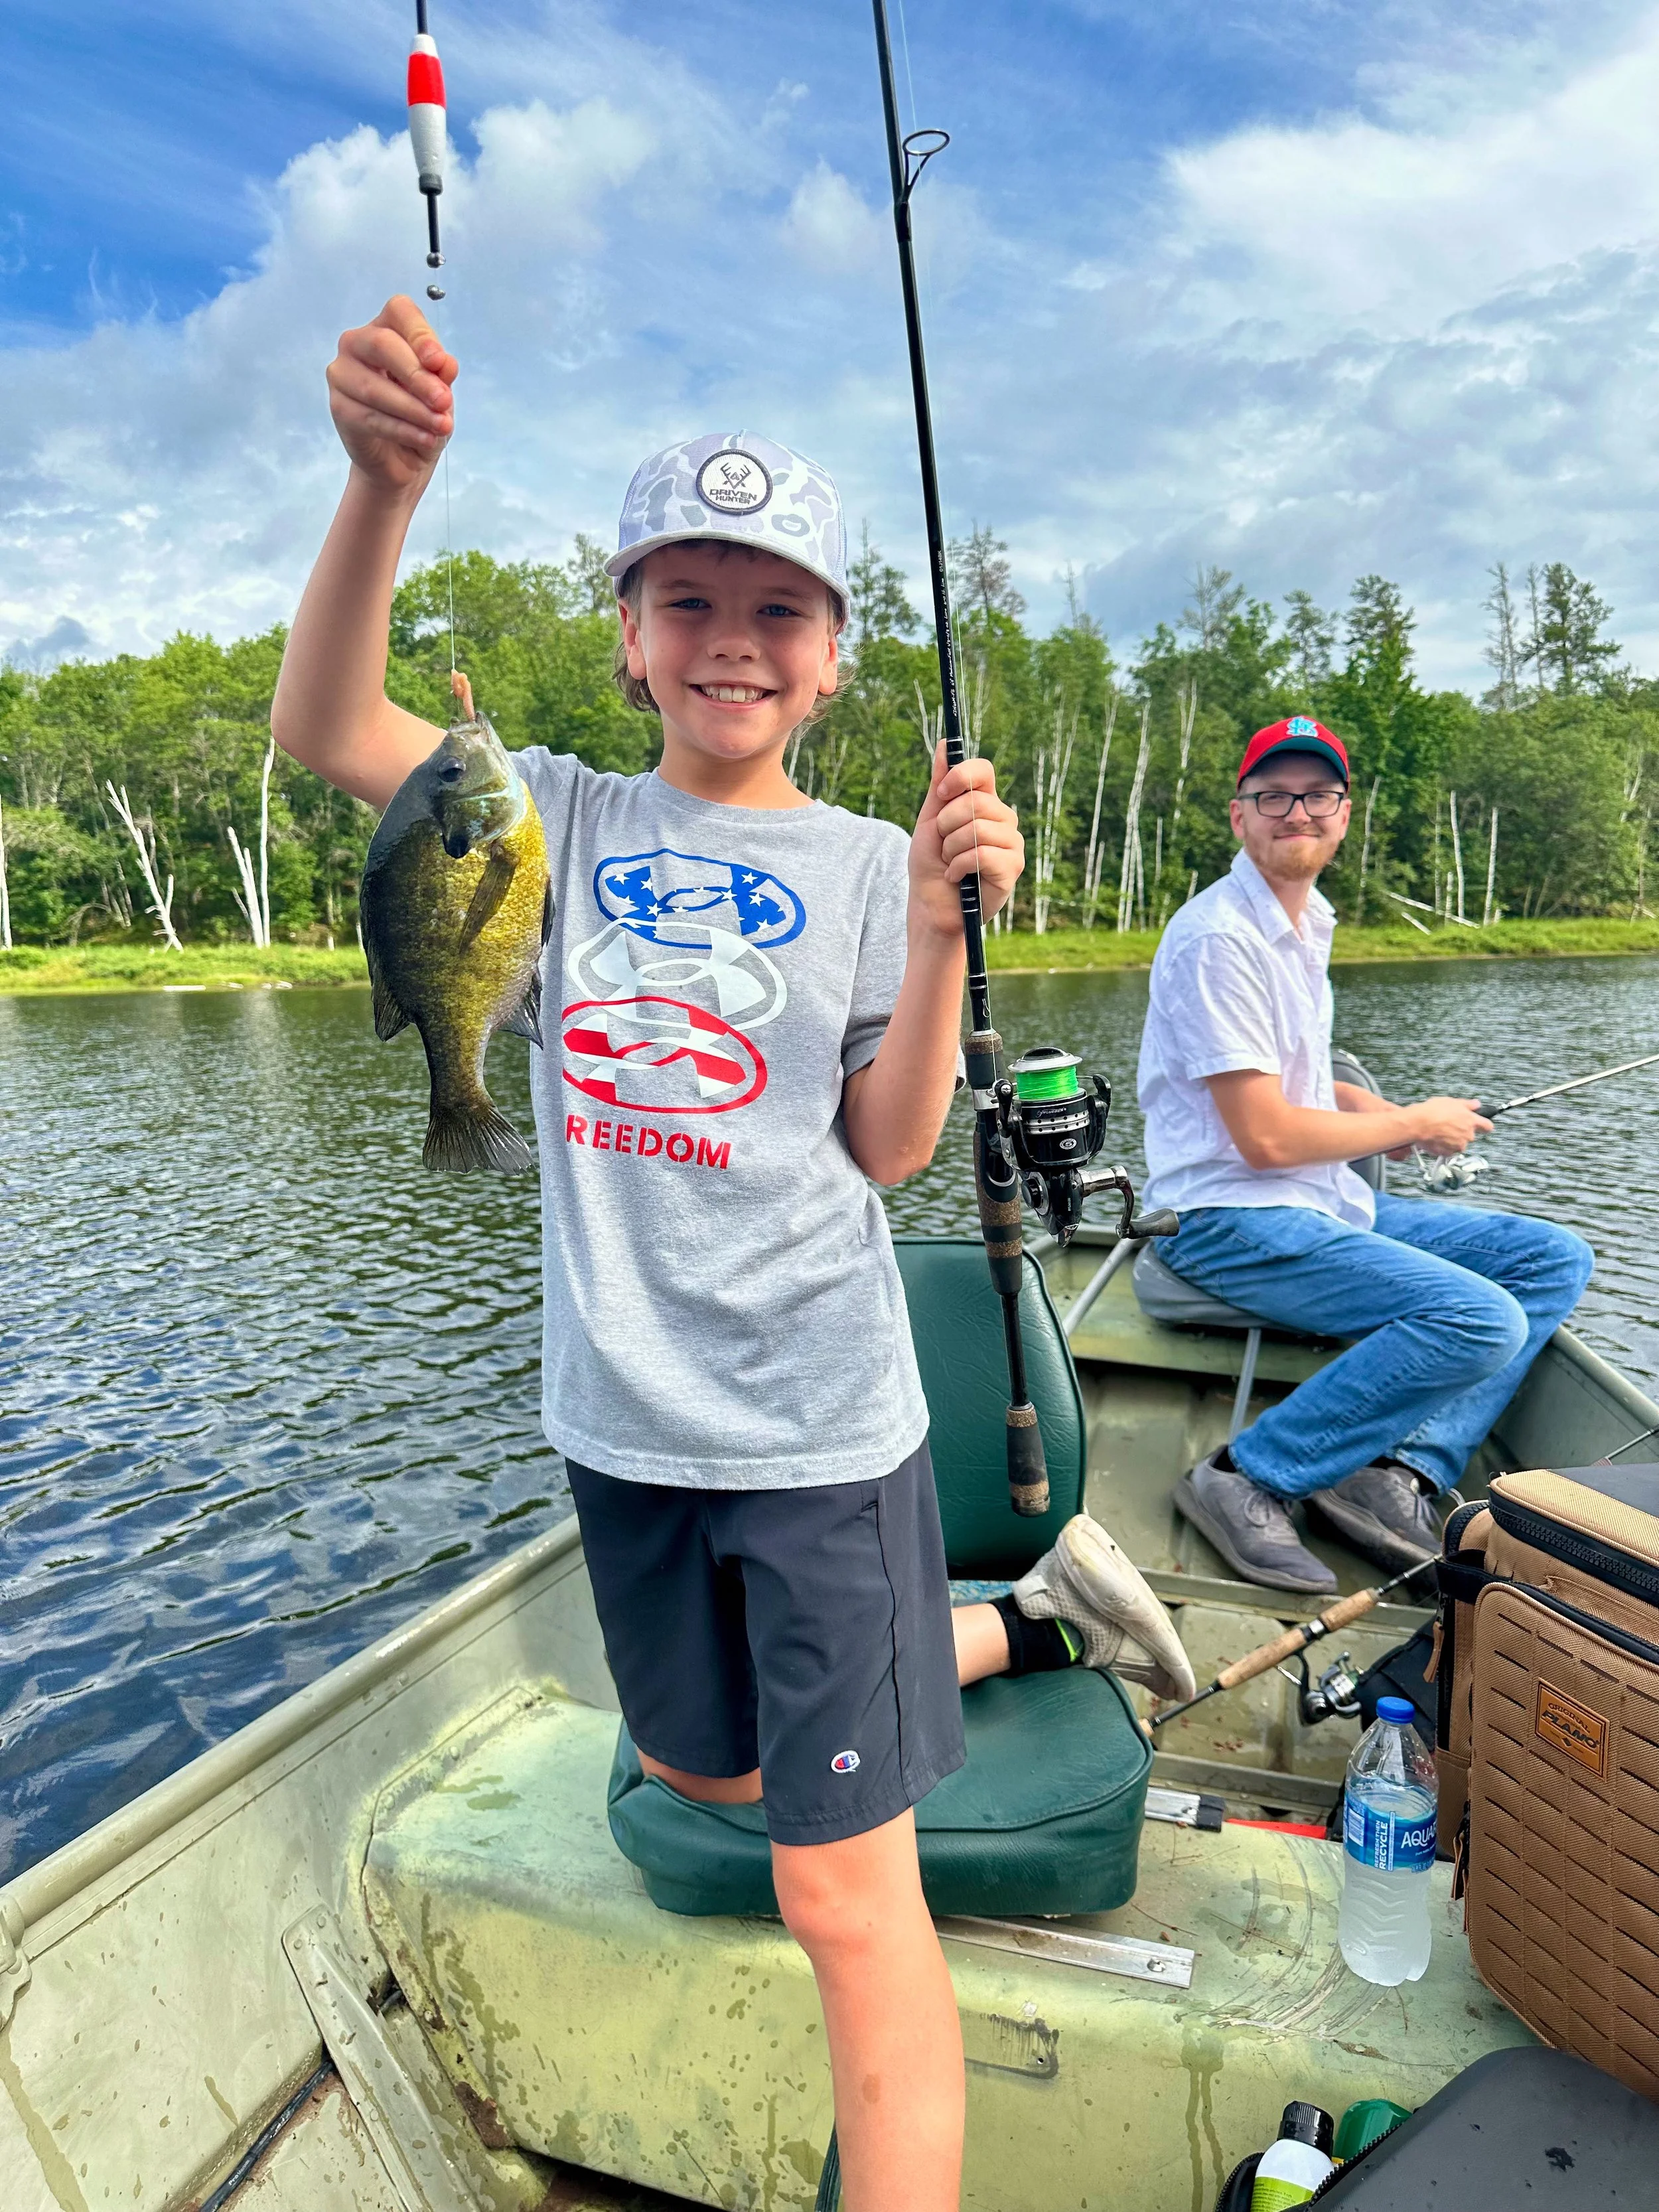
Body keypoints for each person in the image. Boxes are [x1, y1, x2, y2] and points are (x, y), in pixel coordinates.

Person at [272, 295, 1194, 2212]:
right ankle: (1027, 1618)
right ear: (625, 638)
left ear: (835, 655)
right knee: (696, 1773)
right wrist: (380, 489)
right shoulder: (551, 820)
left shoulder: (869, 861)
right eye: (684, 599)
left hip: (813, 1434)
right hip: (621, 1427)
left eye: (775, 607)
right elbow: (323, 726)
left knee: (840, 1892)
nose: (730, 640)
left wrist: (944, 927)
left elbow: (890, 1144)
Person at [1137, 715, 1595, 1596]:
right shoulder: (1218, 940)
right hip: (1227, 1219)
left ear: (1343, 815)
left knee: (1550, 1258)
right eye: (1274, 796)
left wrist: (1391, 1116)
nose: (1296, 811)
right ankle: (1246, 1476)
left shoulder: (1306, 924)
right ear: (1240, 816)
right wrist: (1407, 1121)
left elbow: (1302, 1087)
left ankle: (1395, 1470)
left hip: (1316, 1200)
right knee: (1480, 1321)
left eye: (1317, 795)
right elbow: (1266, 1136)